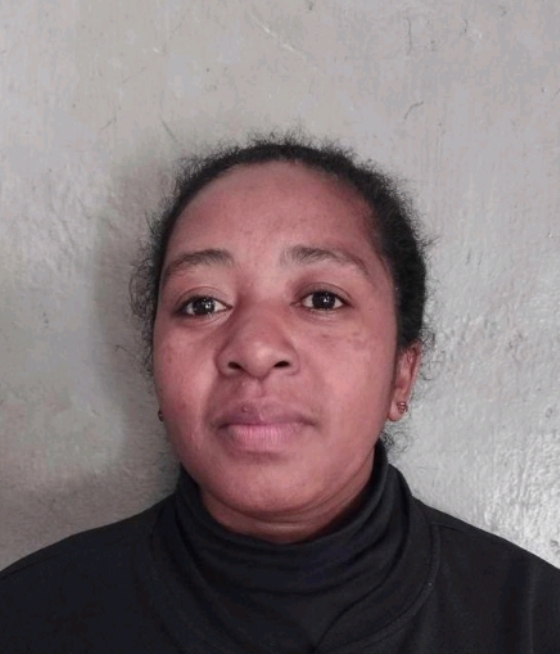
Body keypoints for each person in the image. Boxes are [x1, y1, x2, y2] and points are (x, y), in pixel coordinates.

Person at [1, 136, 558, 653]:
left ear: (401, 375)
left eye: (322, 299)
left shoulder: (533, 623)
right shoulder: (28, 618)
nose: (256, 348)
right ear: (156, 373)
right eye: (202, 304)